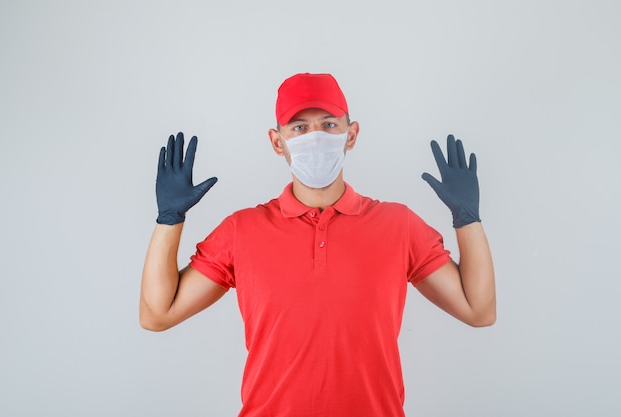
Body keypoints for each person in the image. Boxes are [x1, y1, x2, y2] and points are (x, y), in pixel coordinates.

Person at [139, 73, 496, 417]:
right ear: (277, 142)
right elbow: (157, 315)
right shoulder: (241, 231)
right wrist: (169, 219)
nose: (315, 137)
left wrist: (467, 218)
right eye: (299, 127)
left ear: (351, 134)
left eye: (328, 125)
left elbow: (478, 311)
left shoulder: (398, 225)